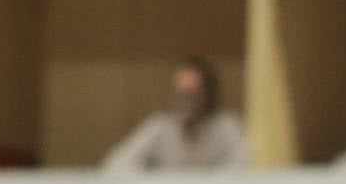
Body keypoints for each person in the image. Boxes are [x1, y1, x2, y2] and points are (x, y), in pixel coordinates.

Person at [102, 56, 246, 169]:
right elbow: (117, 163)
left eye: (192, 93)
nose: (187, 102)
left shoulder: (226, 125)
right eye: (182, 93)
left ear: (208, 92)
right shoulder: (161, 126)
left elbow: (243, 163)